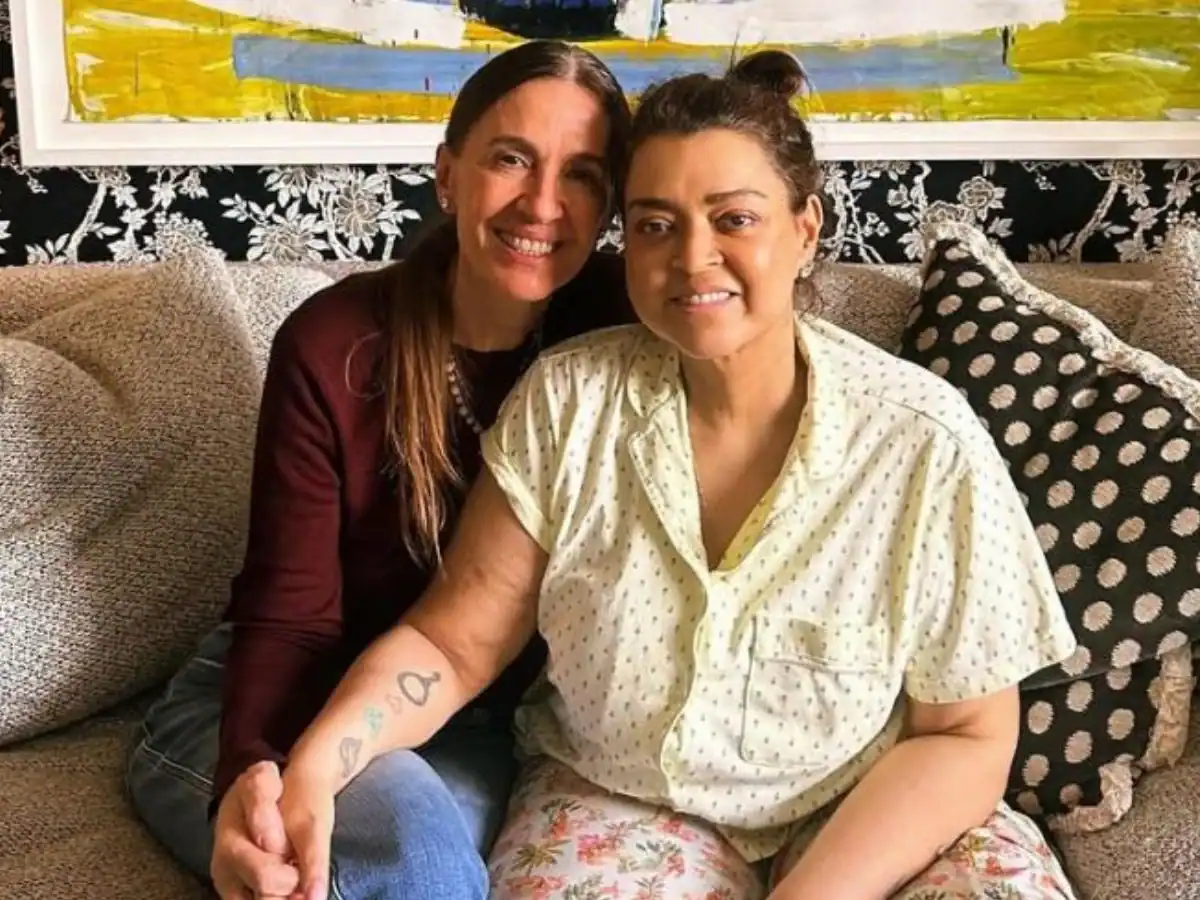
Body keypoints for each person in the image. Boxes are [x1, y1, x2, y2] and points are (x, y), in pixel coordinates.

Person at [270, 50, 1082, 900]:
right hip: (615, 799)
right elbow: (452, 645)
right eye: (656, 225)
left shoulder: (924, 440)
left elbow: (966, 733)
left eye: (734, 219)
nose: (694, 257)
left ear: (804, 229)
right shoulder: (569, 401)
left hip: (872, 807)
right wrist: (321, 761)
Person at [124, 38, 634, 900]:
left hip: (465, 721)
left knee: (440, 866)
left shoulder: (624, 327)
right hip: (277, 696)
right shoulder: (336, 344)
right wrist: (248, 769)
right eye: (511, 159)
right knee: (417, 864)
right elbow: (289, 615)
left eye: (582, 174)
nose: (543, 204)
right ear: (448, 174)